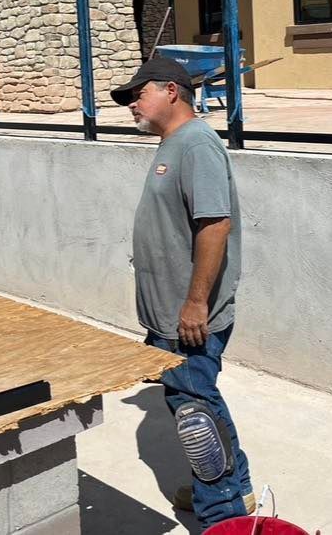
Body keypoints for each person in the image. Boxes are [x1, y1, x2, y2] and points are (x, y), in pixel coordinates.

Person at [111, 56, 254, 529]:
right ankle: (236, 487)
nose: (132, 103)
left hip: (187, 316)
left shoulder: (197, 145)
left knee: (196, 416)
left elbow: (215, 225)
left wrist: (194, 303)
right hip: (169, 316)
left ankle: (224, 514)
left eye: (138, 93)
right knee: (198, 401)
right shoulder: (174, 143)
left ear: (171, 91)